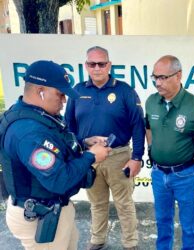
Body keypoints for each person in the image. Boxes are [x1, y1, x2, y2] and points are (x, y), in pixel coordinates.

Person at [0, 60, 111, 250]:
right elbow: (60, 180)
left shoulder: (37, 115)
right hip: (40, 216)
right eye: (60, 94)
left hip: (52, 209)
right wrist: (91, 157)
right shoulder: (28, 132)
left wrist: (83, 143)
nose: (64, 100)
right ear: (40, 91)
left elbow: (56, 143)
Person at [65, 46, 145, 250]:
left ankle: (130, 243)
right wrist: (81, 147)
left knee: (124, 204)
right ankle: (98, 239)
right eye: (92, 64)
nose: (97, 68)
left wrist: (136, 157)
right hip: (89, 157)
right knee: (97, 203)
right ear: (86, 66)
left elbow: (138, 125)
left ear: (109, 65)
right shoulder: (78, 91)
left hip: (118, 155)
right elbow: (69, 127)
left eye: (101, 63)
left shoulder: (124, 90)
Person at [145, 55, 194, 250]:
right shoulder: (151, 102)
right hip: (158, 174)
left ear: (178, 75)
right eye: (155, 77)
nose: (157, 82)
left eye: (163, 77)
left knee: (189, 226)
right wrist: (152, 151)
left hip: (186, 175)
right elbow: (148, 128)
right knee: (162, 222)